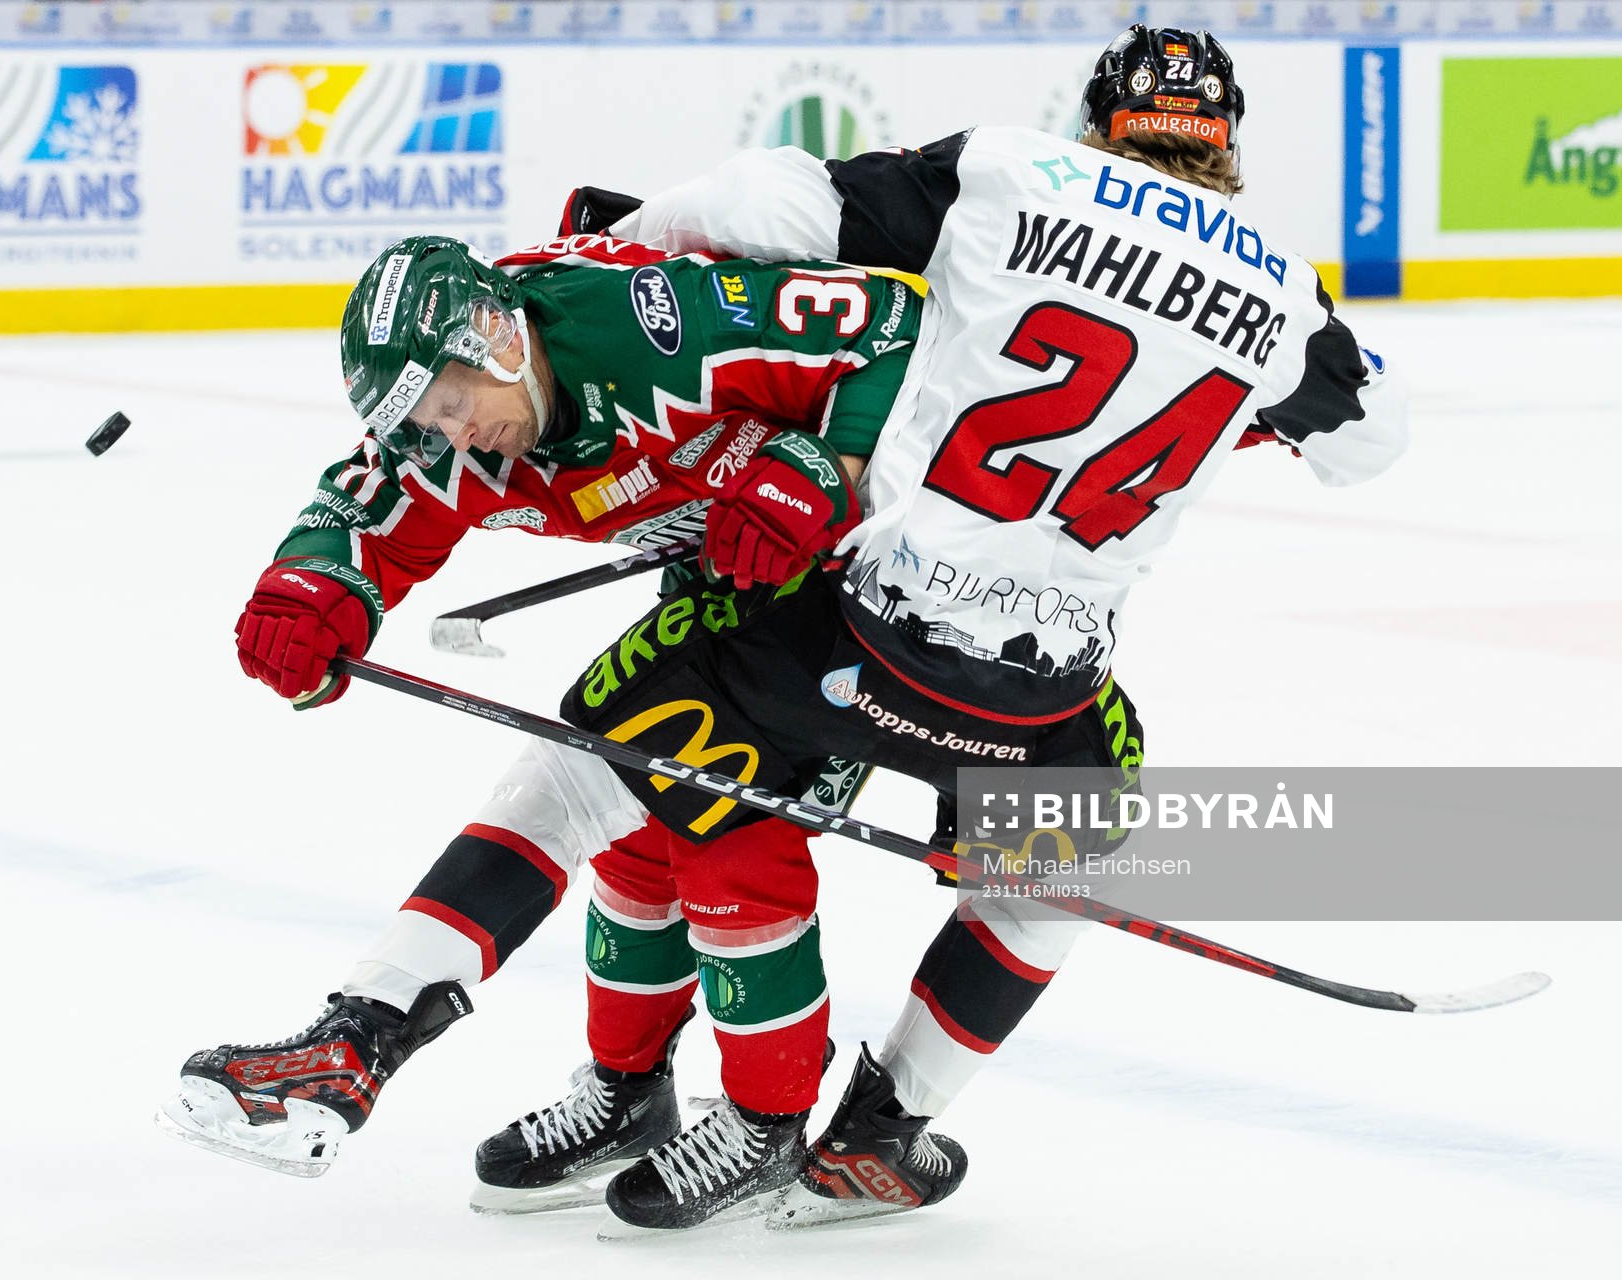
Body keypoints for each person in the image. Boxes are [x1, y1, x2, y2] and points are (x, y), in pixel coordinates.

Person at [525, 23, 1407, 1231]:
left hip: (857, 636)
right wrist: (1232, 402)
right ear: (1229, 145)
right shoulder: (1285, 296)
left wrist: (607, 249)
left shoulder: (1013, 171)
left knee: (631, 748)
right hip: (1028, 700)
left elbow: (762, 200)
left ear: (1103, 118)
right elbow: (1373, 439)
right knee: (1068, 847)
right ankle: (880, 1133)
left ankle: (669, 1087)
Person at [159, 232, 922, 1203]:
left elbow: (893, 322)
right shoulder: (464, 424)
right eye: (433, 419)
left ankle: (789, 1125)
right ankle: (705, 1106)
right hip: (770, 598)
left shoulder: (657, 326)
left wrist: (828, 469)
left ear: (496, 336)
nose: (459, 434)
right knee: (641, 812)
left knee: (718, 817)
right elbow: (365, 505)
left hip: (895, 600)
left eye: (455, 405)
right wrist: (313, 586)